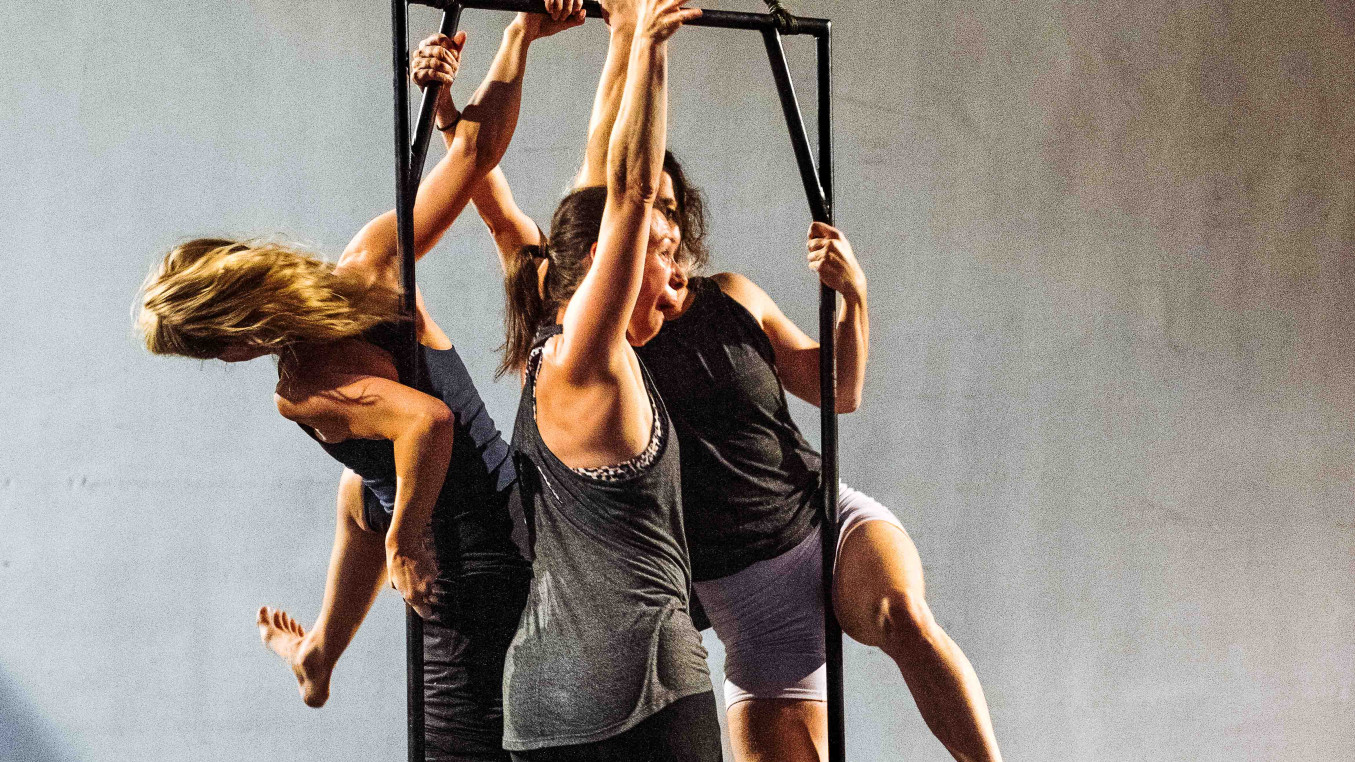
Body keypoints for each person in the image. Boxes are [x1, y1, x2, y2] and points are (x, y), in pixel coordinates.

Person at [472, 4, 1005, 760]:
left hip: (822, 524)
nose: (655, 232)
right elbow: (608, 180)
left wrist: (854, 301)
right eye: (641, 222)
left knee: (900, 615)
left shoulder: (730, 296)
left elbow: (839, 391)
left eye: (665, 219)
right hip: (746, 601)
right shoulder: (600, 339)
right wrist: (626, 37)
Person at [136, 13, 583, 760]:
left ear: (235, 333)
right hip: (510, 496)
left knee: (457, 745)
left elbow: (427, 424)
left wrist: (406, 543)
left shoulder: (301, 386)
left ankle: (327, 647)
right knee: (360, 490)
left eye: (211, 353)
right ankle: (319, 656)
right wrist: (519, 38)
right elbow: (474, 154)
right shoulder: (370, 265)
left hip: (477, 560)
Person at [494, 0, 721, 759]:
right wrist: (653, 45)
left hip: (544, 704)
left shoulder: (551, 344)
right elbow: (624, 194)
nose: (676, 274)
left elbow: (599, 193)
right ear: (604, 267)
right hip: (637, 695)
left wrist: (621, 33)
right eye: (661, 249)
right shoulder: (587, 358)